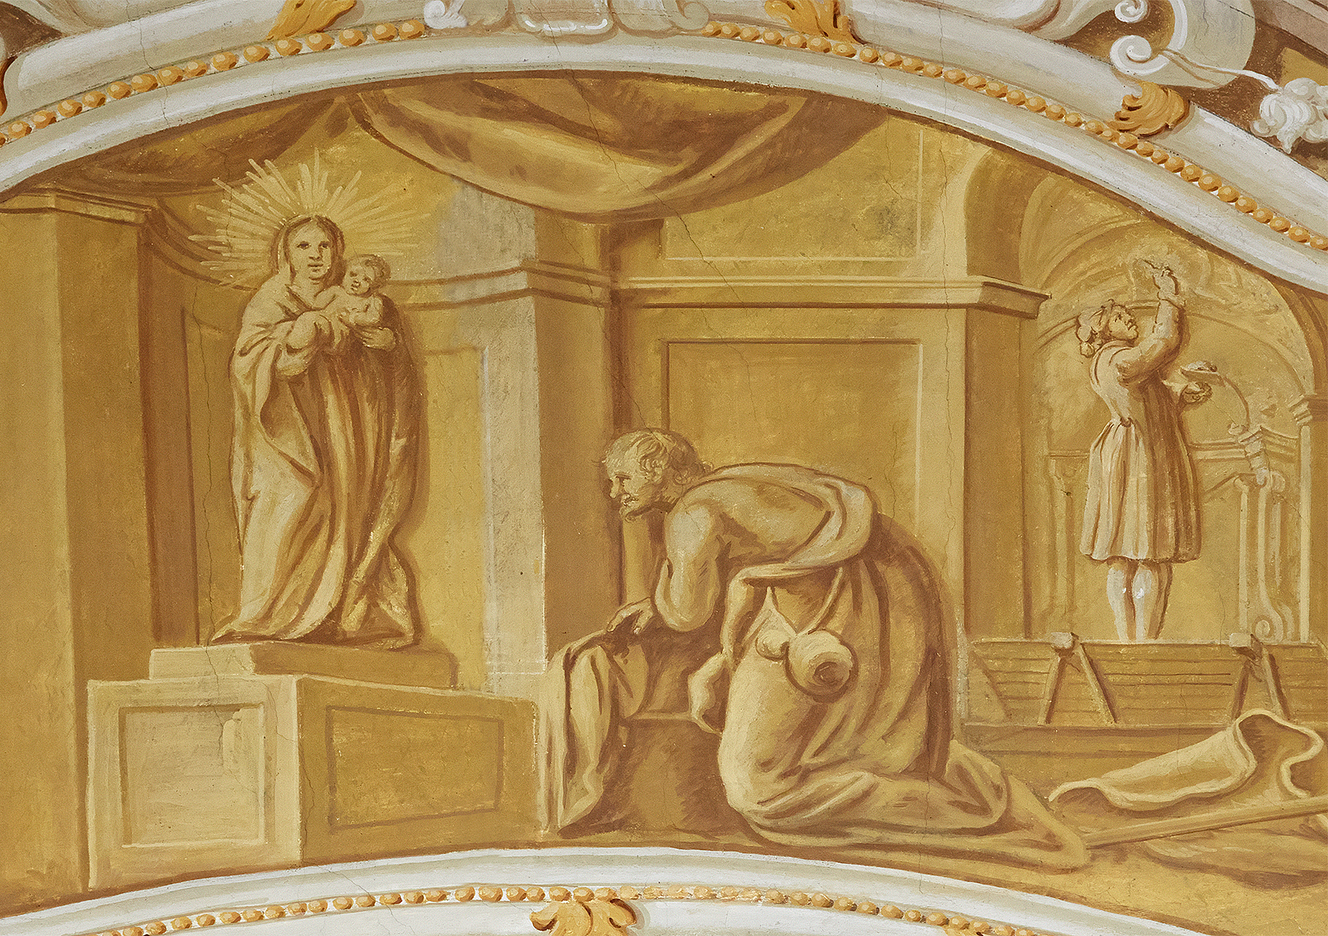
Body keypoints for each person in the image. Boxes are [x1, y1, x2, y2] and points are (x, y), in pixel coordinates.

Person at [543, 429, 1088, 868]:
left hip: (837, 609)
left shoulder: (692, 513)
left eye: (623, 478)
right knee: (861, 746)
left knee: (759, 790)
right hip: (885, 589)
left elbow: (688, 613)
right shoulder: (735, 483)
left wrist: (652, 605)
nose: (615, 492)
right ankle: (978, 791)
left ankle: (974, 809)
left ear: (659, 470)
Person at [212, 216, 419, 647]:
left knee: (344, 510)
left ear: (337, 252)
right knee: (288, 505)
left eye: (324, 246)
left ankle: (333, 613)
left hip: (343, 428)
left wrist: (385, 345)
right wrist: (297, 342)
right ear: (287, 254)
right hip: (286, 430)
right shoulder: (271, 299)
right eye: (304, 246)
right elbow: (248, 358)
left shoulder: (355, 298)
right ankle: (267, 614)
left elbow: (392, 365)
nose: (315, 256)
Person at [1076, 263, 1211, 641]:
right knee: (1149, 554)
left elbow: (1148, 396)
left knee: (1126, 556)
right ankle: (1141, 645)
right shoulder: (1119, 359)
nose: (1130, 319)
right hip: (1141, 455)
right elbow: (1162, 344)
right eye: (1120, 317)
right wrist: (1168, 299)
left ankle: (1132, 642)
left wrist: (1183, 391)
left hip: (1133, 450)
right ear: (1104, 329)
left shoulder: (1112, 362)